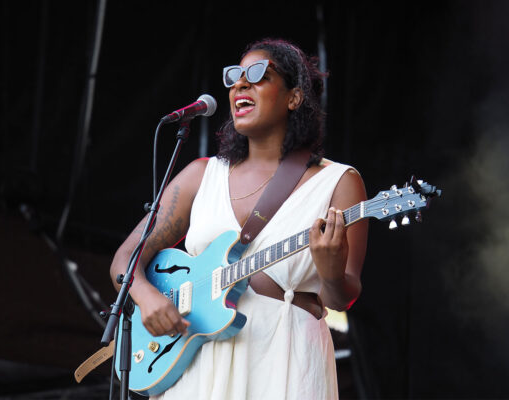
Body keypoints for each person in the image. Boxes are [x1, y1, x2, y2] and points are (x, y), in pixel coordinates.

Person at [110, 38, 368, 400]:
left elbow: (343, 298)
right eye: (235, 77)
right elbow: (126, 259)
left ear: (294, 97)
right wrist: (146, 296)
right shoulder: (201, 176)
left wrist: (329, 271)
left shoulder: (338, 182)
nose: (240, 85)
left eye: (259, 74)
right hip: (195, 361)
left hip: (283, 357)